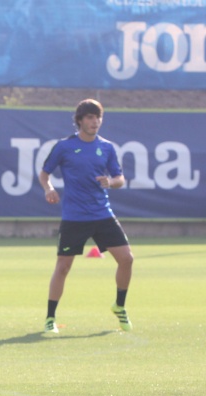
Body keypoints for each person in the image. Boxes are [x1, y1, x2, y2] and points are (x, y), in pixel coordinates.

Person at [39, 98, 134, 334]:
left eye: (98, 117)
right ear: (80, 120)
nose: (95, 122)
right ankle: (50, 318)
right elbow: (44, 173)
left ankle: (119, 306)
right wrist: (48, 189)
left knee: (127, 259)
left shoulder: (107, 147)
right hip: (74, 217)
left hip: (102, 214)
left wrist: (110, 182)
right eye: (90, 117)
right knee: (63, 267)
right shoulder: (64, 146)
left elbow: (120, 179)